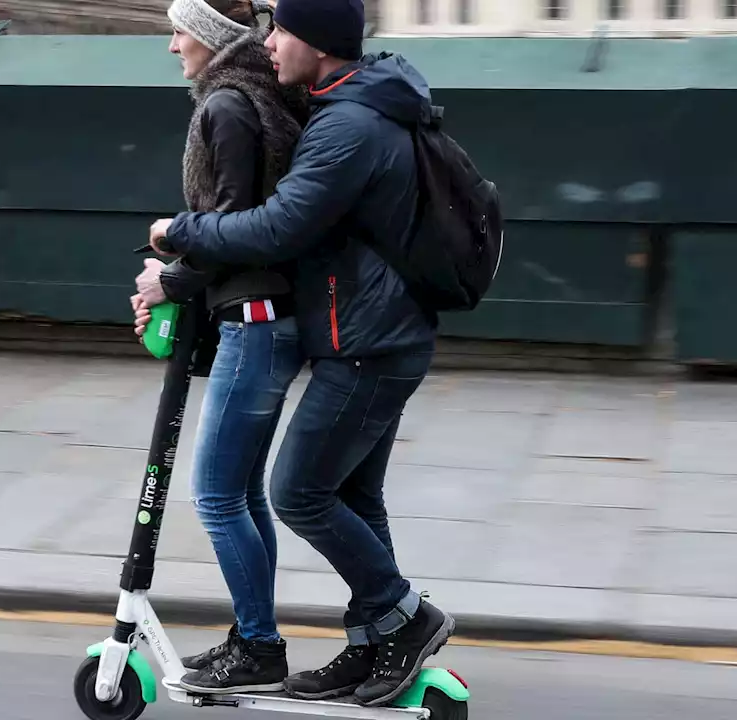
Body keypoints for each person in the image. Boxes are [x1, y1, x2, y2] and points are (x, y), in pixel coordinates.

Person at [140, 0, 455, 708]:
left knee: (293, 493)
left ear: (314, 39)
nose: (270, 41)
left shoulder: (346, 123)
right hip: (368, 331)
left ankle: (403, 617)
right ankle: (374, 641)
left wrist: (174, 242)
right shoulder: (341, 106)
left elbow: (276, 225)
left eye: (281, 30)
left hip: (368, 339)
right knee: (348, 494)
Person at [127, 0, 310, 696]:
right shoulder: (256, 97)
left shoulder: (229, 107)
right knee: (241, 493)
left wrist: (170, 277)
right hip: (267, 318)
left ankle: (259, 646)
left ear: (208, 36)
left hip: (255, 323)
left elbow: (232, 228)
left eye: (180, 32)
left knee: (214, 496)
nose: (173, 46)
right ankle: (251, 637)